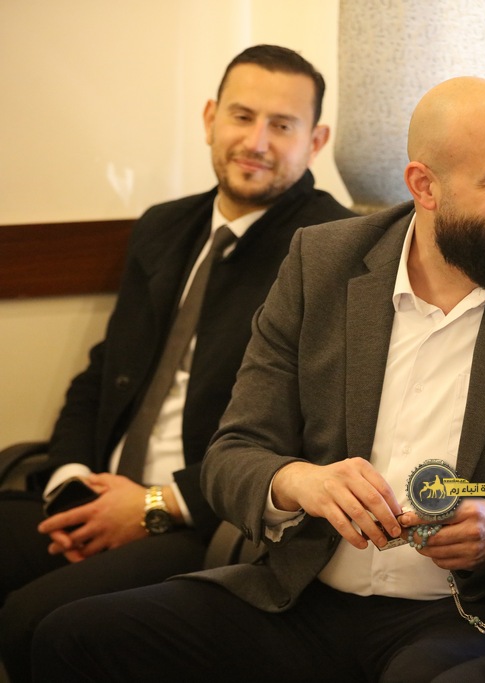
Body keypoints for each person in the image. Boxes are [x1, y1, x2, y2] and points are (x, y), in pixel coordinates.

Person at [31, 76, 485, 682]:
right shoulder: (322, 263)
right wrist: (297, 482)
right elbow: (232, 455)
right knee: (70, 636)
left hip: (467, 610)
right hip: (305, 593)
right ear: (424, 185)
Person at [0, 44, 353, 682]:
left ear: (316, 140)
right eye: (242, 116)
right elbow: (102, 374)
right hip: (99, 490)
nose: (256, 142)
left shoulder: (330, 250)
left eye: (282, 125)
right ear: (210, 118)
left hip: (207, 518)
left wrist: (154, 505)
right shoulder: (164, 227)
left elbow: (313, 431)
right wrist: (71, 480)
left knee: (33, 621)